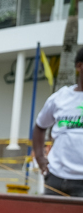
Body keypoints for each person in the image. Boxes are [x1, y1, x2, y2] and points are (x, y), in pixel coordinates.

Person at [32, 46, 83, 197]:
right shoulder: (60, 97)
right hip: (55, 178)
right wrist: (40, 158)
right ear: (79, 66)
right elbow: (40, 127)